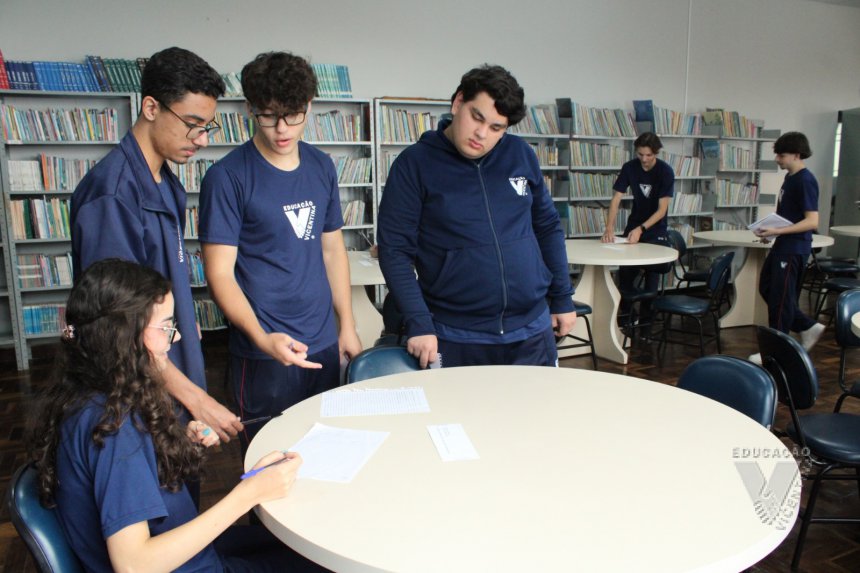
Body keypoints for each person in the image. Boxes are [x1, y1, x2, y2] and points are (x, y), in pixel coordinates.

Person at [27, 259, 319, 573]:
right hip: (181, 565)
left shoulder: (91, 397)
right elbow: (134, 565)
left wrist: (170, 446)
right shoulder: (114, 428)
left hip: (189, 555)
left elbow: (122, 476)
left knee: (297, 544)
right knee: (316, 558)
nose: (176, 338)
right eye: (166, 327)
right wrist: (248, 495)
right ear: (124, 336)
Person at [70, 47, 242, 444]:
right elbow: (119, 332)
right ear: (151, 107)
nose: (202, 140)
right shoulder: (112, 197)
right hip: (138, 392)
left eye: (208, 127)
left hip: (172, 368)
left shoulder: (166, 181)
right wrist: (196, 398)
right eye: (192, 125)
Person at [200, 52, 361, 449]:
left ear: (309, 106)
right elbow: (219, 273)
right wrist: (260, 338)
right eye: (269, 116)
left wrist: (346, 325)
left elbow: (332, 250)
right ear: (249, 109)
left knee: (325, 450)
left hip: (322, 341)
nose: (282, 129)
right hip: (263, 352)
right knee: (267, 458)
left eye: (293, 115)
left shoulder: (322, 166)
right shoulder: (227, 178)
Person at [377, 64, 576, 369]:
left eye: (496, 128)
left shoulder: (520, 154)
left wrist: (562, 296)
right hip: (454, 334)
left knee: (540, 403)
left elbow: (547, 227)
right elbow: (395, 250)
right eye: (477, 117)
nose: (482, 134)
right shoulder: (413, 165)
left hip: (531, 329)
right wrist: (419, 321)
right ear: (458, 102)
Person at [749, 131, 825, 364]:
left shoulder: (805, 180)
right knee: (767, 288)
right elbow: (787, 216)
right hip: (783, 245)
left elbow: (812, 221)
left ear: (796, 154)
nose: (777, 159)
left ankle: (776, 353)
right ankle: (806, 326)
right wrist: (771, 232)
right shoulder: (790, 178)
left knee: (780, 301)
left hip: (794, 249)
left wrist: (778, 231)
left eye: (781, 155)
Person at [601, 132, 675, 326]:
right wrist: (609, 227)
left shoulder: (665, 172)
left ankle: (646, 322)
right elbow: (616, 198)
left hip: (655, 229)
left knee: (652, 275)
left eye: (648, 155)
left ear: (656, 153)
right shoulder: (629, 168)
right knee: (625, 273)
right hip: (634, 225)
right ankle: (626, 318)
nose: (644, 159)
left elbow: (662, 210)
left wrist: (641, 229)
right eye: (640, 154)